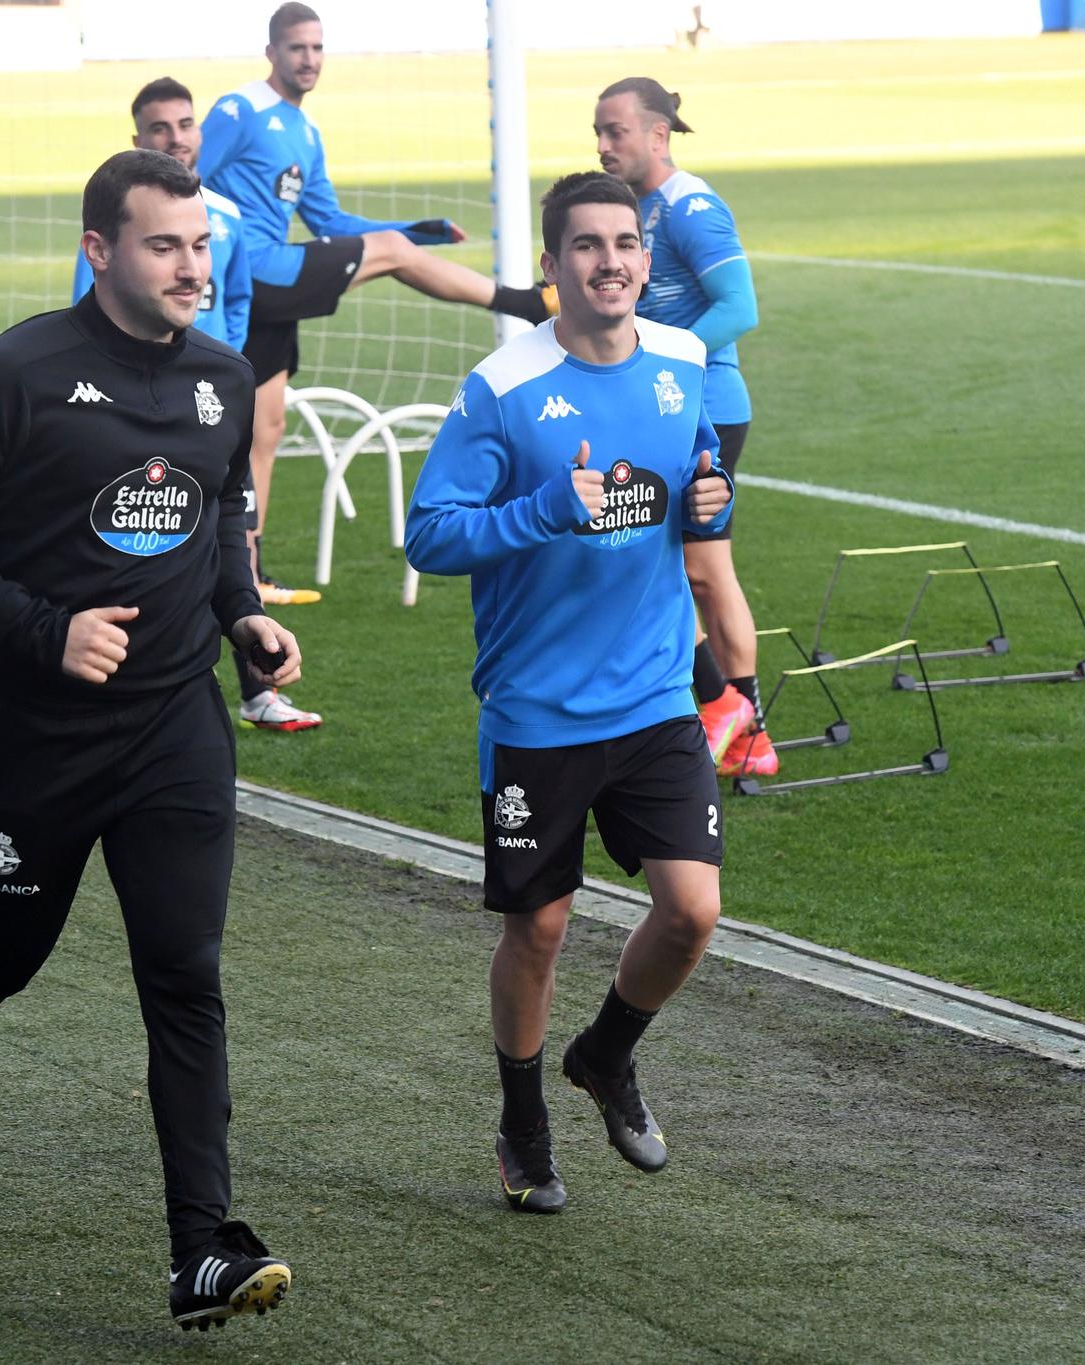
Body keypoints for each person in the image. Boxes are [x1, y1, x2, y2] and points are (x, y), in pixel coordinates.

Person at [0, 149, 297, 1332]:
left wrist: (240, 612)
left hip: (174, 729)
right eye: (164, 245)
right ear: (100, 250)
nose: (191, 268)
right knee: (5, 953)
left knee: (185, 975)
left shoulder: (222, 373)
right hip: (38, 735)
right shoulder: (14, 373)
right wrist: (40, 632)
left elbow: (214, 505)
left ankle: (199, 1251)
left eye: (201, 244)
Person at [405, 171, 733, 1214]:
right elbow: (429, 535)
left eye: (626, 243)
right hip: (537, 712)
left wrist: (709, 500)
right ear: (552, 267)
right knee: (538, 930)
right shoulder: (499, 388)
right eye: (586, 246)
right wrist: (542, 509)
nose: (611, 262)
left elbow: (691, 491)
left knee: (691, 911)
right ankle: (521, 1118)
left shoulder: (684, 362)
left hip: (652, 699)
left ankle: (603, 1056)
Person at [197, 2, 556, 608]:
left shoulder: (305, 133)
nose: (308, 59)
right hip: (253, 270)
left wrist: (409, 231)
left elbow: (328, 221)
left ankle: (247, 567)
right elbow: (189, 176)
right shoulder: (240, 109)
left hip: (274, 291)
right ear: (271, 53)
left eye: (316, 48)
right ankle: (522, 302)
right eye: (296, 48)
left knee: (266, 429)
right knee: (239, 426)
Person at [68, 76, 319, 734]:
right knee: (138, 531)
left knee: (231, 527)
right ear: (139, 139)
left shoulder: (226, 218)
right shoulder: (114, 234)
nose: (175, 138)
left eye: (184, 125)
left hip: (204, 398)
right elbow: (85, 308)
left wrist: (220, 362)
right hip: (136, 401)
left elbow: (236, 301)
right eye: (159, 128)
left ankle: (258, 687)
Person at [594, 77, 774, 777]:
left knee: (688, 566)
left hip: (703, 407)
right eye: (599, 133)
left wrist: (669, 367)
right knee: (699, 568)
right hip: (671, 406)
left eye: (617, 132)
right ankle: (748, 732)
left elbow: (740, 306)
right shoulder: (636, 209)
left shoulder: (691, 207)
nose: (606, 145)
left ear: (657, 134)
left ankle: (726, 707)